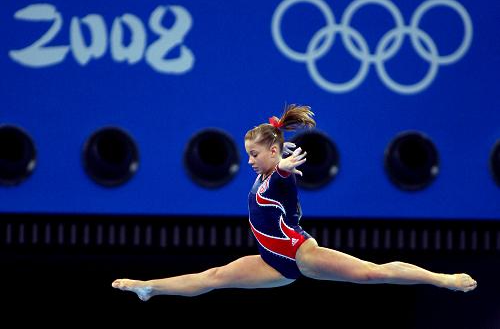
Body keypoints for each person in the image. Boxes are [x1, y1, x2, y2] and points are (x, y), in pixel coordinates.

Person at [112, 104, 477, 301]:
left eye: (254, 154)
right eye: (248, 154)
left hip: (302, 254)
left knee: (372, 272)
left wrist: (283, 165)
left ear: (272, 151)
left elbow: (283, 173)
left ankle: (443, 279)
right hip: (273, 263)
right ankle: (150, 287)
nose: (250, 161)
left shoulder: (280, 177)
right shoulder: (264, 173)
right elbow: (275, 157)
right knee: (214, 277)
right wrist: (276, 157)